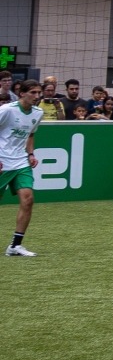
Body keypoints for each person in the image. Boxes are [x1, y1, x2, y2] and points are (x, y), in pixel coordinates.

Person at [2, 79, 42, 255]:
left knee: (28, 199)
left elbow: (31, 134)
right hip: (2, 161)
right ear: (22, 94)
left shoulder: (37, 113)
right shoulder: (6, 110)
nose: (37, 96)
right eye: (33, 92)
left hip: (20, 162)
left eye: (38, 92)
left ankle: (15, 246)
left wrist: (31, 154)